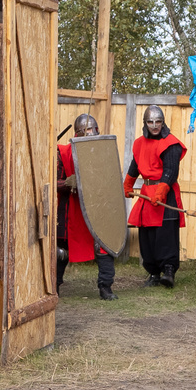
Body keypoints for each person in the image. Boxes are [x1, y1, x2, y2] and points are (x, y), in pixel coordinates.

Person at [125, 106, 187, 287]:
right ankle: (153, 273)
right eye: (150, 122)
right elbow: (135, 165)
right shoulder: (139, 143)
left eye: (158, 122)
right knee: (148, 235)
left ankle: (168, 272)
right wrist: (128, 184)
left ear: (163, 122)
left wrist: (161, 191)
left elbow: (171, 171)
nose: (154, 126)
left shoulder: (171, 143)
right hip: (147, 194)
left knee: (165, 235)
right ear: (145, 123)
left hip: (165, 194)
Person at [57, 114, 116, 300]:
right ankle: (54, 287)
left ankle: (106, 287)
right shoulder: (62, 153)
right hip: (70, 209)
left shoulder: (103, 152)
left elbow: (111, 181)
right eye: (87, 131)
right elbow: (51, 182)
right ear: (78, 133)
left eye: (93, 130)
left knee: (104, 245)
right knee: (61, 250)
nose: (91, 134)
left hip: (97, 207)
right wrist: (67, 183)